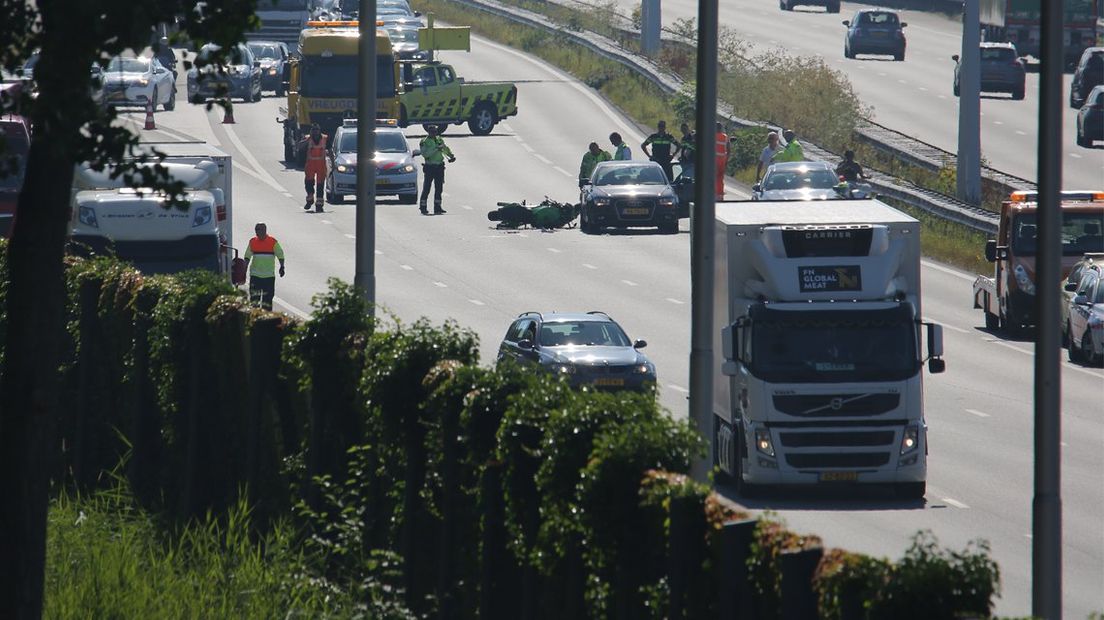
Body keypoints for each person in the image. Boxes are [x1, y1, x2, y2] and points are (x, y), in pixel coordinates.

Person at [244, 222, 285, 311]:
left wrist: (282, 266)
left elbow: (280, 254)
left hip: (269, 277)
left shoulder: (272, 242)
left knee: (267, 303)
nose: (256, 232)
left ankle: (267, 323)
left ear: (264, 230)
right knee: (254, 302)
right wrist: (244, 269)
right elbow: (247, 256)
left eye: (258, 230)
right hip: (255, 276)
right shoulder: (253, 242)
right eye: (256, 230)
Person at [418, 124, 455, 215]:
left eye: (435, 132)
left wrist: (451, 155)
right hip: (430, 167)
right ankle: (423, 207)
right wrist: (436, 149)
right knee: (427, 188)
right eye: (432, 132)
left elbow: (445, 148)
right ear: (428, 132)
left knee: (439, 188)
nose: (434, 134)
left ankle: (437, 207)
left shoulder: (439, 139)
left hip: (439, 167)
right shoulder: (424, 142)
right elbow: (425, 154)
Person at [297, 123, 328, 212]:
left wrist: (333, 164)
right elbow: (300, 146)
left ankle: (319, 204)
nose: (315, 132)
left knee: (320, 185)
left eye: (317, 130)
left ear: (319, 130)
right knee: (309, 184)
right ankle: (309, 200)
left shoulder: (325, 139)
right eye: (314, 130)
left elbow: (329, 150)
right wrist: (308, 139)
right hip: (310, 166)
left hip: (321, 166)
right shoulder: (308, 139)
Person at [714, 122, 728, 200]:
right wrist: (726, 160)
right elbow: (728, 149)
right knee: (720, 178)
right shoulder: (725, 137)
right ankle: (720, 194)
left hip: (715, 161)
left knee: (714, 177)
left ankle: (715, 194)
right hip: (722, 161)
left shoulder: (713, 136)